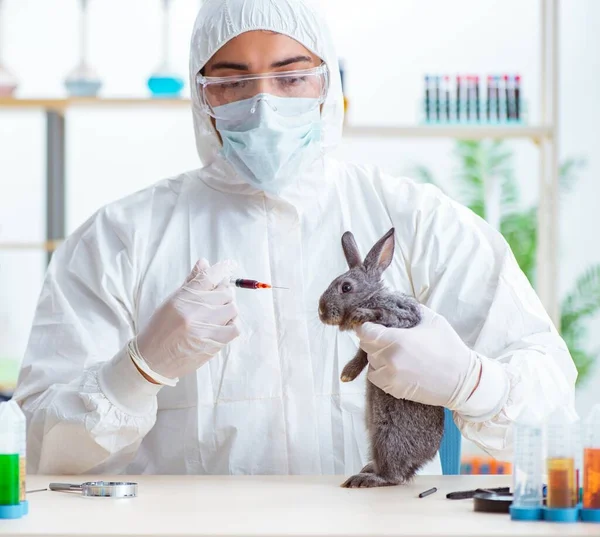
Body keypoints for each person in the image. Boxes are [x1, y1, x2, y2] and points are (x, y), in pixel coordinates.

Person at [14, 0, 576, 476]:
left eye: (290, 76)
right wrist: (136, 371)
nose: (263, 104)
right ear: (200, 93)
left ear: (326, 82)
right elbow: (45, 451)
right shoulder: (120, 238)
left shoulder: (416, 218)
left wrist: (472, 381)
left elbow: (553, 409)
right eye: (232, 81)